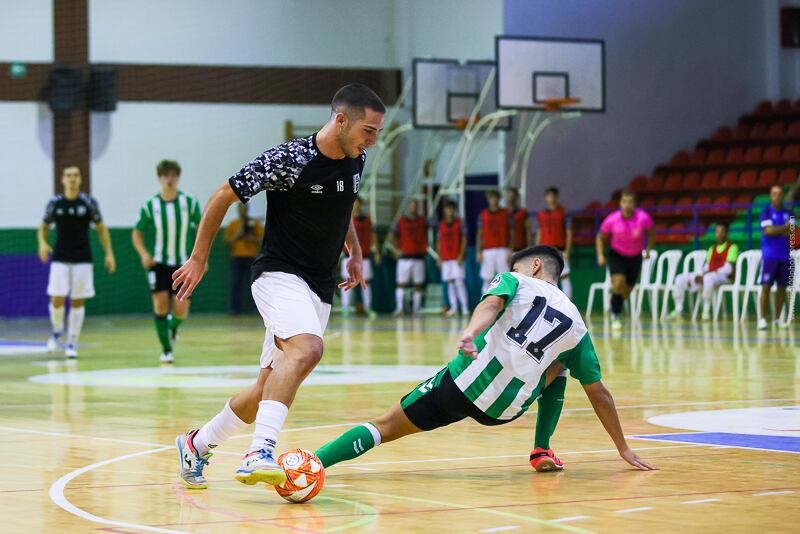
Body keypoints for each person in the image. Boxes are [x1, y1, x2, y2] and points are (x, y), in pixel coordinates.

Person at [171, 84, 385, 489]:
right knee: (308, 349)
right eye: (369, 130)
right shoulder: (289, 158)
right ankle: (260, 452)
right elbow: (222, 196)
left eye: (376, 132)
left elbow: (345, 204)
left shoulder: (357, 159)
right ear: (341, 120)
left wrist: (354, 251)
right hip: (278, 275)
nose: (373, 140)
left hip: (319, 286)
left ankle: (196, 444)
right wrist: (199, 258)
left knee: (264, 390)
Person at [312, 246, 656, 476]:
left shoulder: (516, 281)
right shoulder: (578, 325)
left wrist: (469, 331)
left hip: (462, 384)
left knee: (385, 426)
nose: (514, 270)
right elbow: (600, 395)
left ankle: (313, 463)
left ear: (533, 266)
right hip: (505, 411)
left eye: (517, 265)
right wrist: (622, 447)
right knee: (561, 367)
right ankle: (541, 449)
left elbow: (491, 305)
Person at [37, 166, 115, 359]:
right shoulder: (55, 203)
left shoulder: (88, 202)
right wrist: (42, 243)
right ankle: (57, 330)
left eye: (75, 176)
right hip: (60, 257)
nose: (72, 179)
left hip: (82, 258)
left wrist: (109, 253)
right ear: (62, 179)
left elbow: (101, 228)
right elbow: (43, 226)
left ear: (80, 180)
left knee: (78, 300)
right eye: (68, 175)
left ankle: (72, 342)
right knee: (57, 297)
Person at [132, 160, 202, 364]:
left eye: (173, 175)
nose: (169, 179)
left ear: (178, 177)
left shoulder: (189, 202)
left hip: (182, 264)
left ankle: (171, 327)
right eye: (165, 175)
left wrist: (200, 256)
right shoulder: (150, 205)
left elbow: (201, 228)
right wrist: (144, 254)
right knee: (160, 305)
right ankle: (166, 349)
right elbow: (137, 233)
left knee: (181, 309)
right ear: (160, 178)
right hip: (159, 263)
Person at [596, 190, 655, 330]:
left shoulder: (643, 218)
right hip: (617, 255)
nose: (627, 205)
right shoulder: (612, 219)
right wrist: (600, 255)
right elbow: (600, 237)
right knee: (618, 283)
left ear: (634, 204)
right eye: (624, 202)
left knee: (626, 291)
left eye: (630, 202)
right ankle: (616, 314)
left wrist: (648, 249)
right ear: (620, 203)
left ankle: (614, 303)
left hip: (635, 257)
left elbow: (652, 233)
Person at [668, 223, 738, 321]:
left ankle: (706, 311)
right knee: (680, 278)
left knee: (708, 278)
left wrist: (706, 275)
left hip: (724, 277)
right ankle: (679, 309)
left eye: (722, 232)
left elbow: (728, 269)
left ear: (726, 233)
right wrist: (699, 275)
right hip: (710, 275)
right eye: (717, 231)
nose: (719, 234)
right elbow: (707, 266)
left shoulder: (732, 247)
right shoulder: (712, 248)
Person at [758, 180, 799, 329]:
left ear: (782, 197)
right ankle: (762, 318)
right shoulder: (765, 212)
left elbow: (793, 231)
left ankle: (776, 319)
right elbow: (767, 231)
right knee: (766, 287)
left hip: (784, 257)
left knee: (782, 288)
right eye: (774, 194)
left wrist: (779, 229)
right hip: (770, 257)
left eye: (780, 194)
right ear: (770, 196)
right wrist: (783, 228)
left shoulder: (790, 213)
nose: (777, 197)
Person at [340, 196, 380, 318]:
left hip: (364, 257)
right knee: (347, 282)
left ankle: (368, 307)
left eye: (358, 203)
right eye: (354, 203)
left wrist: (377, 251)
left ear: (361, 204)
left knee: (365, 283)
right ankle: (345, 308)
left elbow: (373, 235)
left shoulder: (367, 219)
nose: (356, 205)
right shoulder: (346, 218)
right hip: (348, 256)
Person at [388, 198, 428, 316]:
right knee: (401, 283)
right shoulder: (400, 221)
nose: (413, 207)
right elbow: (390, 237)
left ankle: (416, 309)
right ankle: (399, 308)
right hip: (404, 258)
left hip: (418, 257)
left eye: (415, 205)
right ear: (408, 207)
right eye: (411, 205)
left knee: (418, 285)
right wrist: (395, 250)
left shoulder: (423, 221)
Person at [224, 203, 264, 315]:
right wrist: (238, 234)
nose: (243, 210)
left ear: (248, 209)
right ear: (238, 210)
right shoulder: (233, 224)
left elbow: (261, 239)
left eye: (245, 208)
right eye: (241, 208)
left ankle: (254, 309)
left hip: (252, 257)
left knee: (253, 284)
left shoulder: (254, 223)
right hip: (237, 257)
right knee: (235, 283)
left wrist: (251, 238)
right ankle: (235, 309)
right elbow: (227, 241)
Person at [535, 186, 573, 299]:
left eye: (553, 195)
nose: (550, 198)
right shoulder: (541, 214)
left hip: (559, 249)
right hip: (545, 250)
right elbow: (539, 232)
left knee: (564, 277)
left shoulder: (564, 212)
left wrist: (567, 250)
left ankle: (568, 308)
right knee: (547, 280)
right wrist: (536, 249)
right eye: (548, 195)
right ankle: (551, 308)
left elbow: (569, 232)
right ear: (546, 198)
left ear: (557, 197)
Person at [437, 199, 469, 317]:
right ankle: (454, 308)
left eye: (451, 209)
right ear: (444, 211)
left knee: (459, 282)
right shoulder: (441, 225)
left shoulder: (460, 223)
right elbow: (439, 241)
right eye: (447, 209)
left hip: (456, 257)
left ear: (454, 210)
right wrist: (439, 256)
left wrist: (461, 254)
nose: (449, 211)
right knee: (450, 283)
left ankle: (464, 308)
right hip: (446, 258)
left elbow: (464, 239)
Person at [477, 190, 512, 293]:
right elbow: (479, 233)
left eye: (495, 198)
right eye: (491, 198)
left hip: (503, 249)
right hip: (488, 249)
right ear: (488, 200)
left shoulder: (506, 213)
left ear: (499, 199)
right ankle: (485, 305)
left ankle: (507, 307)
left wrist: (511, 249)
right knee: (487, 278)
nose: (493, 200)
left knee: (505, 279)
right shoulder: (483, 215)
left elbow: (512, 232)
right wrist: (478, 251)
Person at [506, 187, 532, 253]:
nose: (510, 198)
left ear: (516, 197)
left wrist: (529, 247)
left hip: (520, 247)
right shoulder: (502, 213)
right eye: (509, 196)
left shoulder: (523, 212)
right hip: (505, 249)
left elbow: (528, 231)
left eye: (512, 196)